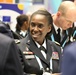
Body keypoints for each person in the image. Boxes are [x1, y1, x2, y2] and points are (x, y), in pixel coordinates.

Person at [18, 10, 61, 75]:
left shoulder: (56, 47)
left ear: (49, 28)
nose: (35, 29)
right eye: (32, 25)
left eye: (40, 26)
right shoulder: (19, 47)